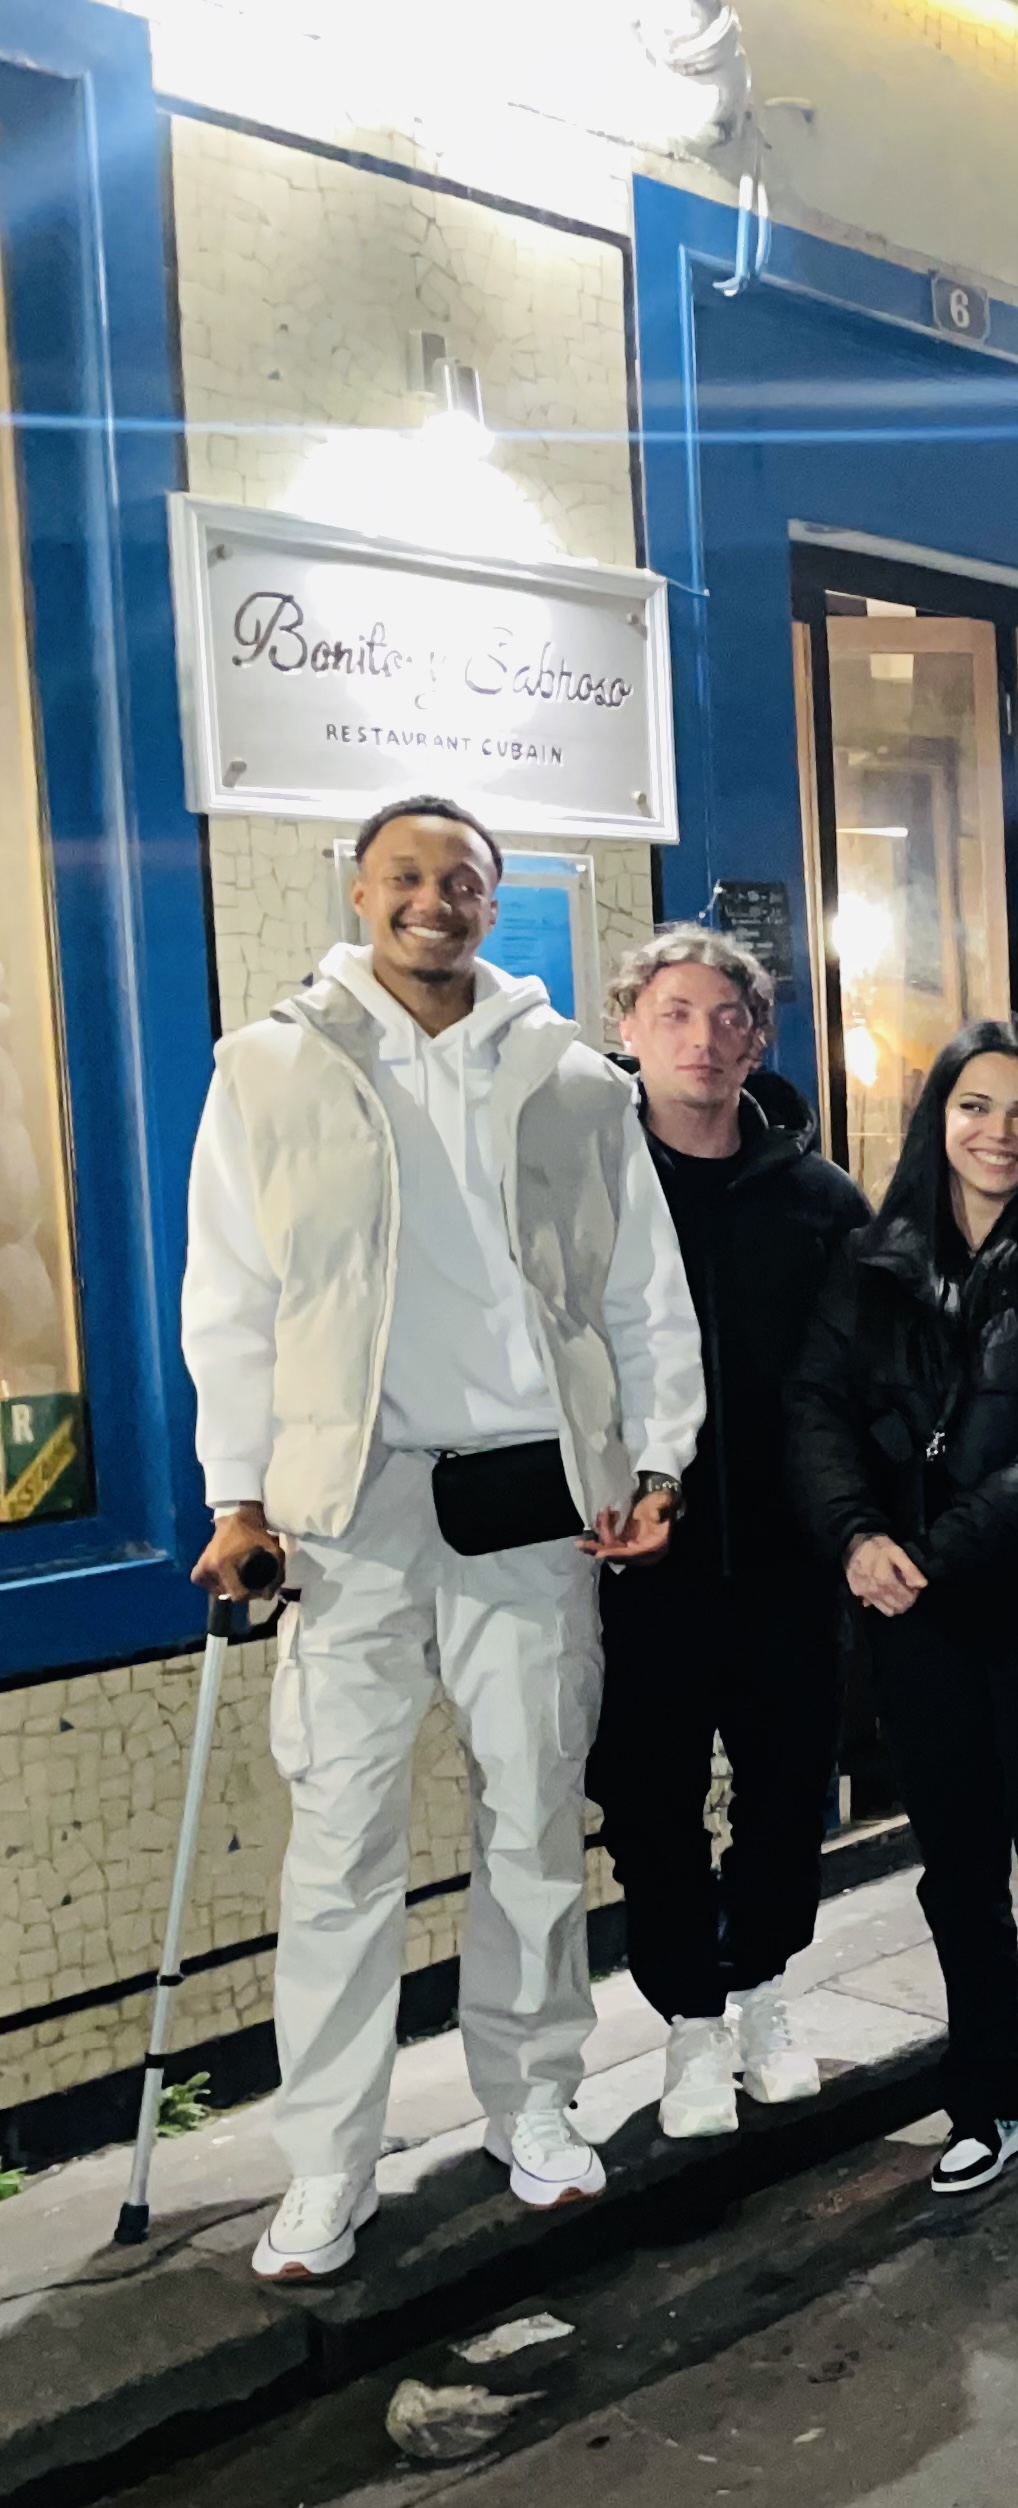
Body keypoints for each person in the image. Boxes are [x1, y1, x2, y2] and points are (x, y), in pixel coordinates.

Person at [186, 796, 702, 2282]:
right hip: (347, 1511)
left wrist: (657, 1463)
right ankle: (326, 2162)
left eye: (461, 880)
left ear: (493, 898)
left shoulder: (574, 1080)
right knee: (340, 1845)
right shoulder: (268, 1066)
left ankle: (532, 2100)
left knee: (532, 1818)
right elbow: (232, 1295)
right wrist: (236, 1494)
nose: (434, 900)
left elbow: (640, 1289)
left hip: (531, 1498)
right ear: (359, 892)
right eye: (406, 876)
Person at [785, 1021, 1018, 2194]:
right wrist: (857, 1536)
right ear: (938, 1119)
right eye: (977, 1107)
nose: (1001, 1133)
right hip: (917, 1616)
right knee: (957, 1871)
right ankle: (984, 2098)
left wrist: (935, 1551)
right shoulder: (869, 1261)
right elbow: (816, 1410)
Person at [591, 925, 868, 2145]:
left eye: (728, 1017)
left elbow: (867, 1377)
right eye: (674, 1014)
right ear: (627, 1028)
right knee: (649, 1799)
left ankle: (760, 1989)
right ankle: (688, 2020)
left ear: (759, 1040)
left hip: (786, 1562)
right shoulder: (590, 1185)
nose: (702, 1040)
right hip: (634, 1568)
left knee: (786, 1789)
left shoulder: (820, 1200)